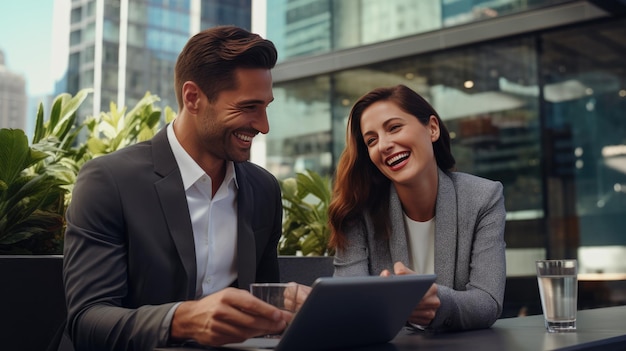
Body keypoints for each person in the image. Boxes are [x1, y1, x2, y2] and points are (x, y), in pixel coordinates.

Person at [62, 26, 290, 351]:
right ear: (193, 98)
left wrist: (288, 305)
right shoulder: (108, 182)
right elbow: (88, 320)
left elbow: (261, 311)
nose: (264, 126)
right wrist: (183, 319)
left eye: (266, 106)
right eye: (248, 107)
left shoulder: (263, 189)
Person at [328, 84, 506, 331]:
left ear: (432, 128)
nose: (384, 145)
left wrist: (437, 302)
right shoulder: (357, 211)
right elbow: (349, 302)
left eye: (394, 128)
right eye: (371, 140)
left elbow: (487, 302)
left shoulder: (483, 198)